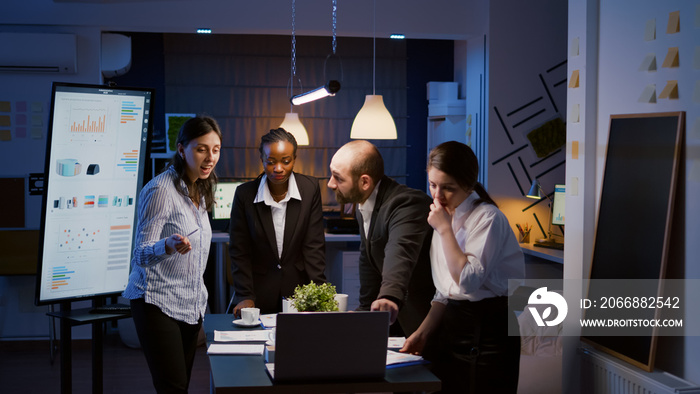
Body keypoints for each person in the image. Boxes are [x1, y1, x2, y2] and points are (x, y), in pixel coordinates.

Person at [400, 140, 524, 393]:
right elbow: (445, 292)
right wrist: (422, 333)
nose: (436, 196)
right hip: (452, 328)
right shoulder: (447, 214)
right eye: (433, 185)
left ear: (468, 185)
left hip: (490, 331)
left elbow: (467, 280)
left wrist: (444, 229)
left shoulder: (488, 218)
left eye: (448, 188)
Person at [123, 115, 222, 393]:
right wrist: (166, 245)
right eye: (201, 148)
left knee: (181, 386)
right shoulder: (160, 190)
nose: (210, 157)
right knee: (173, 388)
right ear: (181, 149)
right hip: (156, 303)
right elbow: (140, 255)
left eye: (215, 149)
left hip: (189, 305)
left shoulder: (200, 188)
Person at [327, 140, 434, 336]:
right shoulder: (363, 206)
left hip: (428, 324)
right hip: (399, 324)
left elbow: (400, 251)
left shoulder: (406, 204)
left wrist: (388, 295)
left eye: (338, 178)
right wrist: (364, 310)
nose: (330, 183)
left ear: (365, 182)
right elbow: (368, 260)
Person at [229, 128, 326, 316]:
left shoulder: (310, 188)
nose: (278, 168)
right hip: (257, 293)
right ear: (262, 159)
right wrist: (244, 295)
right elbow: (239, 251)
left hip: (300, 292)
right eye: (271, 162)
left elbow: (314, 246)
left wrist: (319, 292)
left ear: (295, 159)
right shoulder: (244, 194)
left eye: (286, 161)